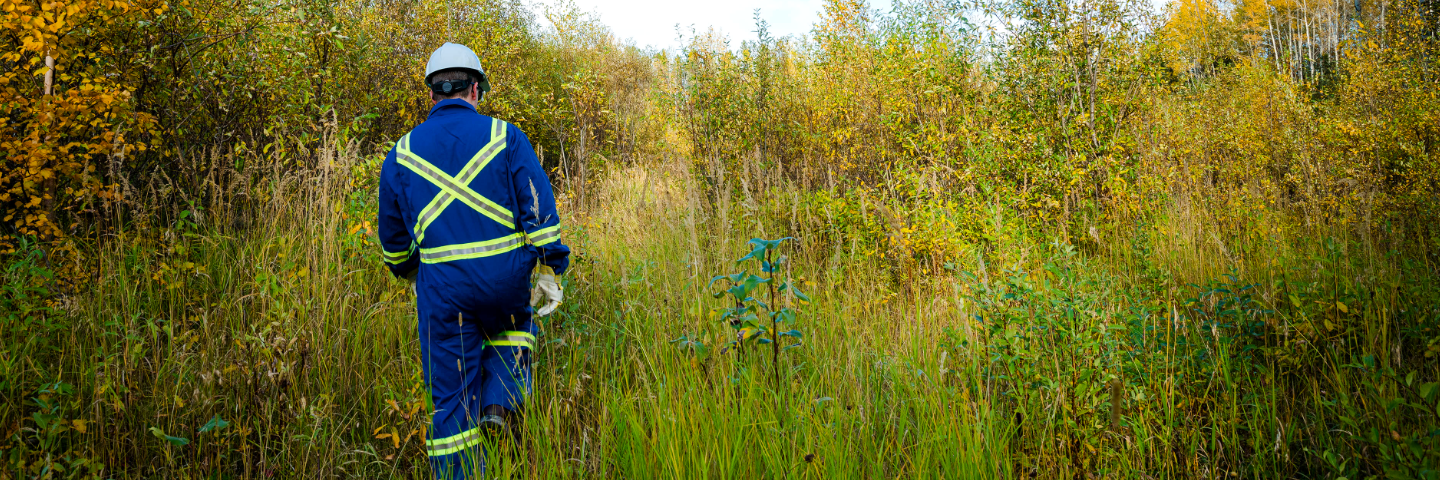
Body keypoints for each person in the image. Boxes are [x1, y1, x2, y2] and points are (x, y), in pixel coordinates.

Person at [376, 42, 569, 479]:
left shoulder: (401, 154)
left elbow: (393, 244)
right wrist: (550, 266)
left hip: (443, 296)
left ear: (431, 96)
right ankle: (498, 402)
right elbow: (538, 212)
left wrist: (411, 273)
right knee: (518, 325)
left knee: (449, 402)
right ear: (476, 89)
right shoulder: (505, 137)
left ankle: (463, 462)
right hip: (505, 282)